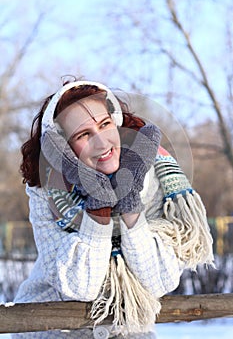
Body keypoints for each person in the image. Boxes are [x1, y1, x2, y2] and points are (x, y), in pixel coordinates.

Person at [12, 79, 214, 339]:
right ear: (63, 148)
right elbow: (80, 287)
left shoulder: (152, 179)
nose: (102, 142)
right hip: (52, 331)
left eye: (105, 125)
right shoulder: (46, 193)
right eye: (83, 135)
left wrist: (128, 197)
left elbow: (159, 281)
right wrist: (98, 203)